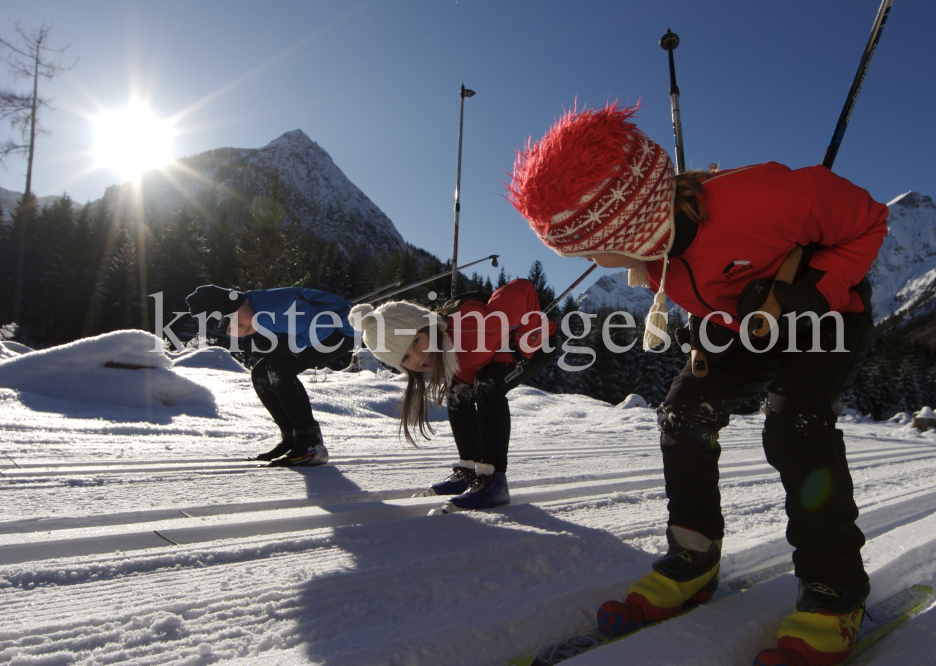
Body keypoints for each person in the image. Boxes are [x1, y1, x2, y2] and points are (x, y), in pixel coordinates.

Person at [506, 103, 887, 666]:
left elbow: (869, 221)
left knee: (793, 427)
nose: (590, 260)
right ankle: (694, 557)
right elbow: (710, 280)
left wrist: (814, 290)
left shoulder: (765, 200)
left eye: (588, 247)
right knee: (684, 412)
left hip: (823, 318)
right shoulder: (655, 248)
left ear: (625, 222)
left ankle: (837, 592)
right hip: (743, 326)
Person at [348, 279, 556, 510]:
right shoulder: (445, 353)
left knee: (488, 384)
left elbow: (522, 288)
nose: (418, 357)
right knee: (457, 390)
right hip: (492, 353)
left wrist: (526, 342)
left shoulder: (475, 329)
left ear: (427, 326)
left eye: (416, 341)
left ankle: (493, 480)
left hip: (539, 342)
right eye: (405, 358)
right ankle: (468, 471)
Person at [185, 284, 355, 467]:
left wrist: (283, 346)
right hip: (315, 331)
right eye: (228, 329)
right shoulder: (252, 313)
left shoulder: (278, 310)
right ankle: (292, 439)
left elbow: (322, 328)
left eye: (235, 319)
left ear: (243, 300)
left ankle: (310, 444)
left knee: (279, 368)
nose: (239, 329)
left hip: (340, 331)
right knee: (261, 374)